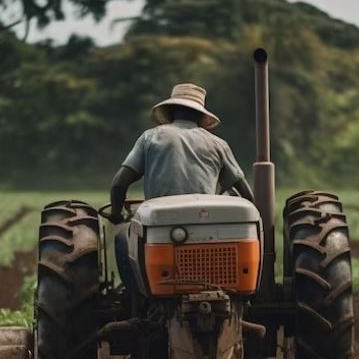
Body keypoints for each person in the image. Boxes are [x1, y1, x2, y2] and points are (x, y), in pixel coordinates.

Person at [108, 83, 255, 291]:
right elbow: (247, 195)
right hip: (209, 227)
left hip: (160, 223)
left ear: (170, 112)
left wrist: (116, 214)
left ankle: (136, 296)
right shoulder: (217, 144)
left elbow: (118, 184)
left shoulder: (151, 137)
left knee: (123, 238)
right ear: (201, 117)